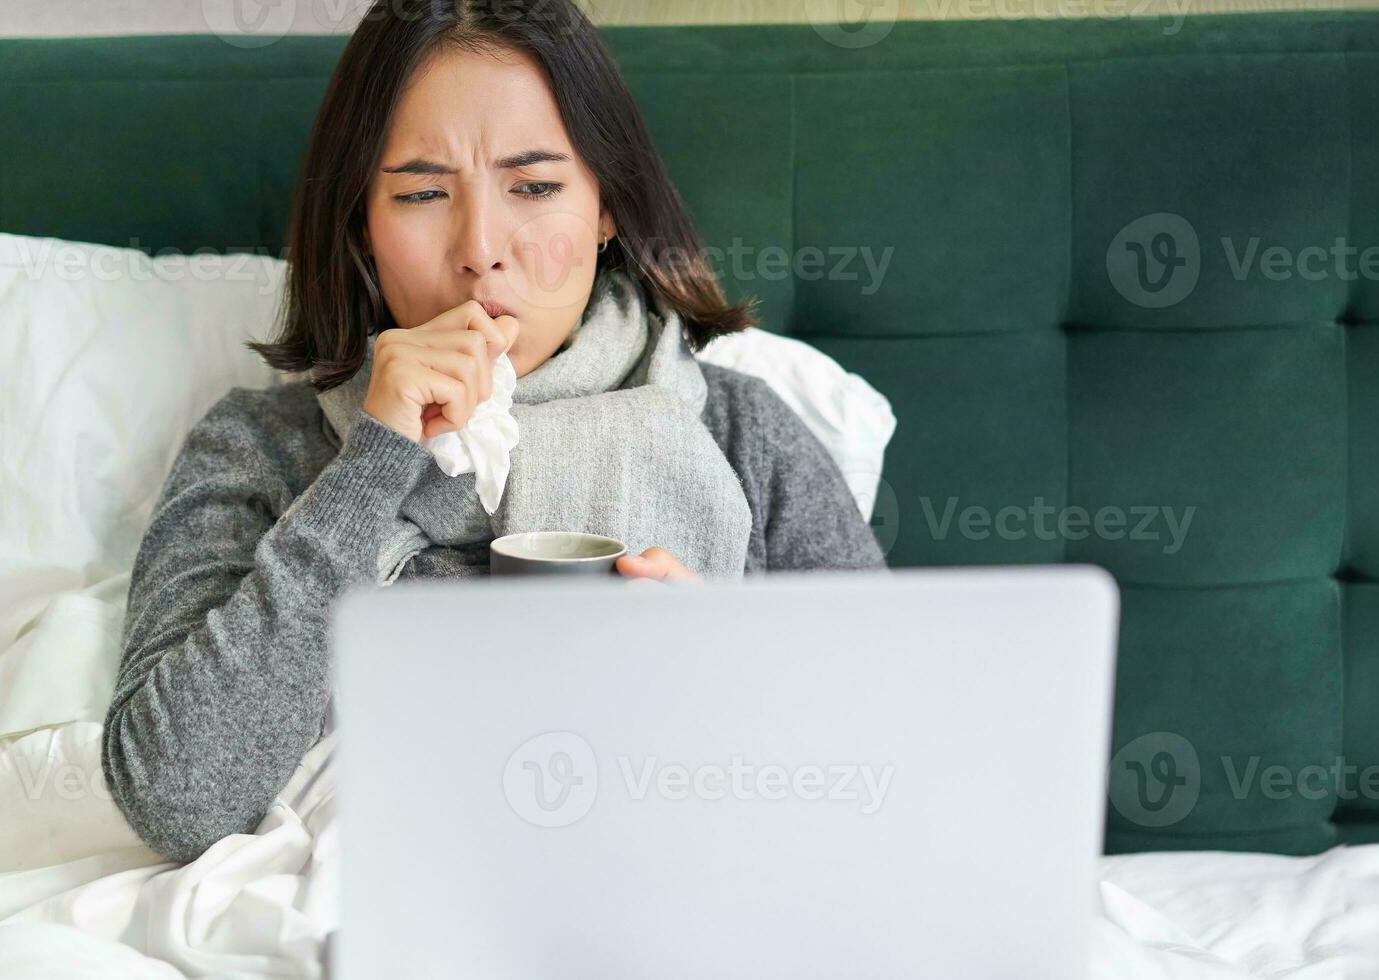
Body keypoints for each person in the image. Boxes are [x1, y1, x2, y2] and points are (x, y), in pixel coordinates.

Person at [102, 0, 885, 863]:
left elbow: (900, 758)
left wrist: (730, 680)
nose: (480, 249)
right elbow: (174, 797)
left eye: (536, 187)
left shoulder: (742, 435)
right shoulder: (259, 447)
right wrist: (372, 467)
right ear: (363, 219)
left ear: (606, 207)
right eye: (423, 192)